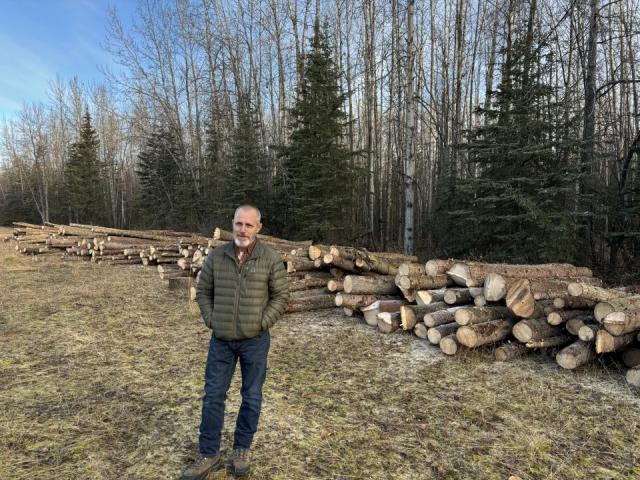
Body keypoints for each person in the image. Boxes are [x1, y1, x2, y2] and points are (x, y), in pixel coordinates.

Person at [181, 205, 289, 479]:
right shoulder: (217, 257)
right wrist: (212, 319)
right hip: (222, 340)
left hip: (255, 341)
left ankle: (242, 448)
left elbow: (281, 297)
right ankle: (209, 454)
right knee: (213, 396)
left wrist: (262, 323)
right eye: (238, 224)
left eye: (248, 225)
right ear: (232, 224)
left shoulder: (270, 258)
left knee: (251, 396)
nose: (242, 230)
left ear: (258, 228)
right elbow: (203, 292)